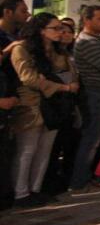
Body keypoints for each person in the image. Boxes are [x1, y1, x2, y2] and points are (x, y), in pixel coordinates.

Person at [9, 13, 80, 206]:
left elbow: (70, 73)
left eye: (61, 28)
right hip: (31, 105)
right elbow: (29, 78)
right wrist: (62, 86)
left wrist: (50, 81)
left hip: (55, 105)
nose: (60, 32)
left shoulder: (57, 51)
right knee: (27, 150)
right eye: (55, 28)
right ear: (41, 30)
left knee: (44, 150)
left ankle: (36, 189)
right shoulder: (22, 48)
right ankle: (21, 194)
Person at [70, 5, 100, 196]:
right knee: (91, 140)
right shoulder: (86, 42)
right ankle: (79, 183)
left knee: (97, 139)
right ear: (87, 20)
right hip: (97, 95)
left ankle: (87, 176)